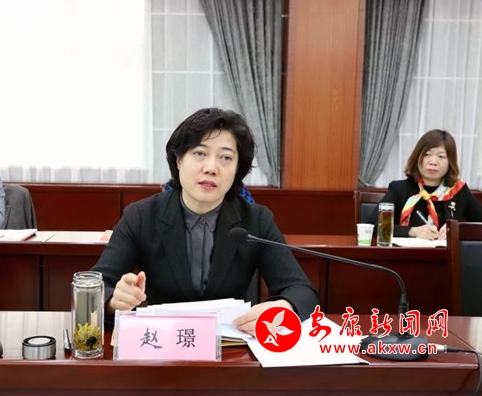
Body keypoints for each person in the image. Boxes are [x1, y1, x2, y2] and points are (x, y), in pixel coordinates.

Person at [91, 108, 319, 336]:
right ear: (179, 159)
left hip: (231, 349)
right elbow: (95, 287)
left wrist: (284, 307)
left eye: (226, 158)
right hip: (163, 345)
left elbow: (302, 291)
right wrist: (114, 300)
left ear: (237, 169)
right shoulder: (141, 216)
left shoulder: (256, 220)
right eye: (200, 153)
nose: (211, 168)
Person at [365, 129, 482, 240]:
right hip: (407, 258)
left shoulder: (458, 192)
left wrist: (458, 230)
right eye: (427, 154)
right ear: (417, 157)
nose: (433, 162)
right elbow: (372, 225)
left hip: (446, 259)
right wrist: (412, 231)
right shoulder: (400, 189)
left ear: (450, 162)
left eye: (441, 156)